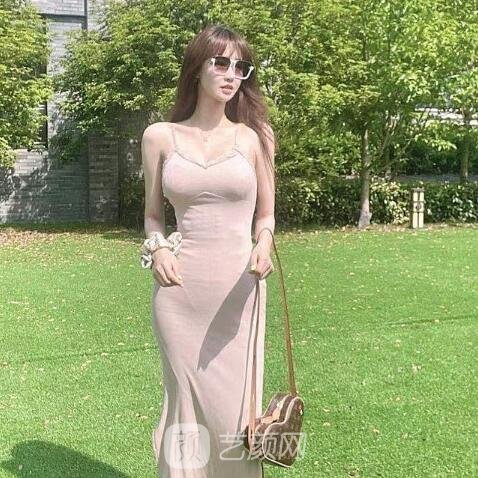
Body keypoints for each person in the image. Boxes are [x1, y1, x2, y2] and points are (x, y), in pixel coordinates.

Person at [141, 23, 276, 477]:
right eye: (221, 63)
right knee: (184, 410)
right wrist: (159, 250)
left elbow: (266, 216)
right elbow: (153, 216)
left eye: (241, 67)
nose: (232, 74)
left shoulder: (254, 138)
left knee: (235, 416)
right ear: (197, 67)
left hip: (239, 290)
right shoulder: (159, 136)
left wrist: (264, 243)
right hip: (179, 294)